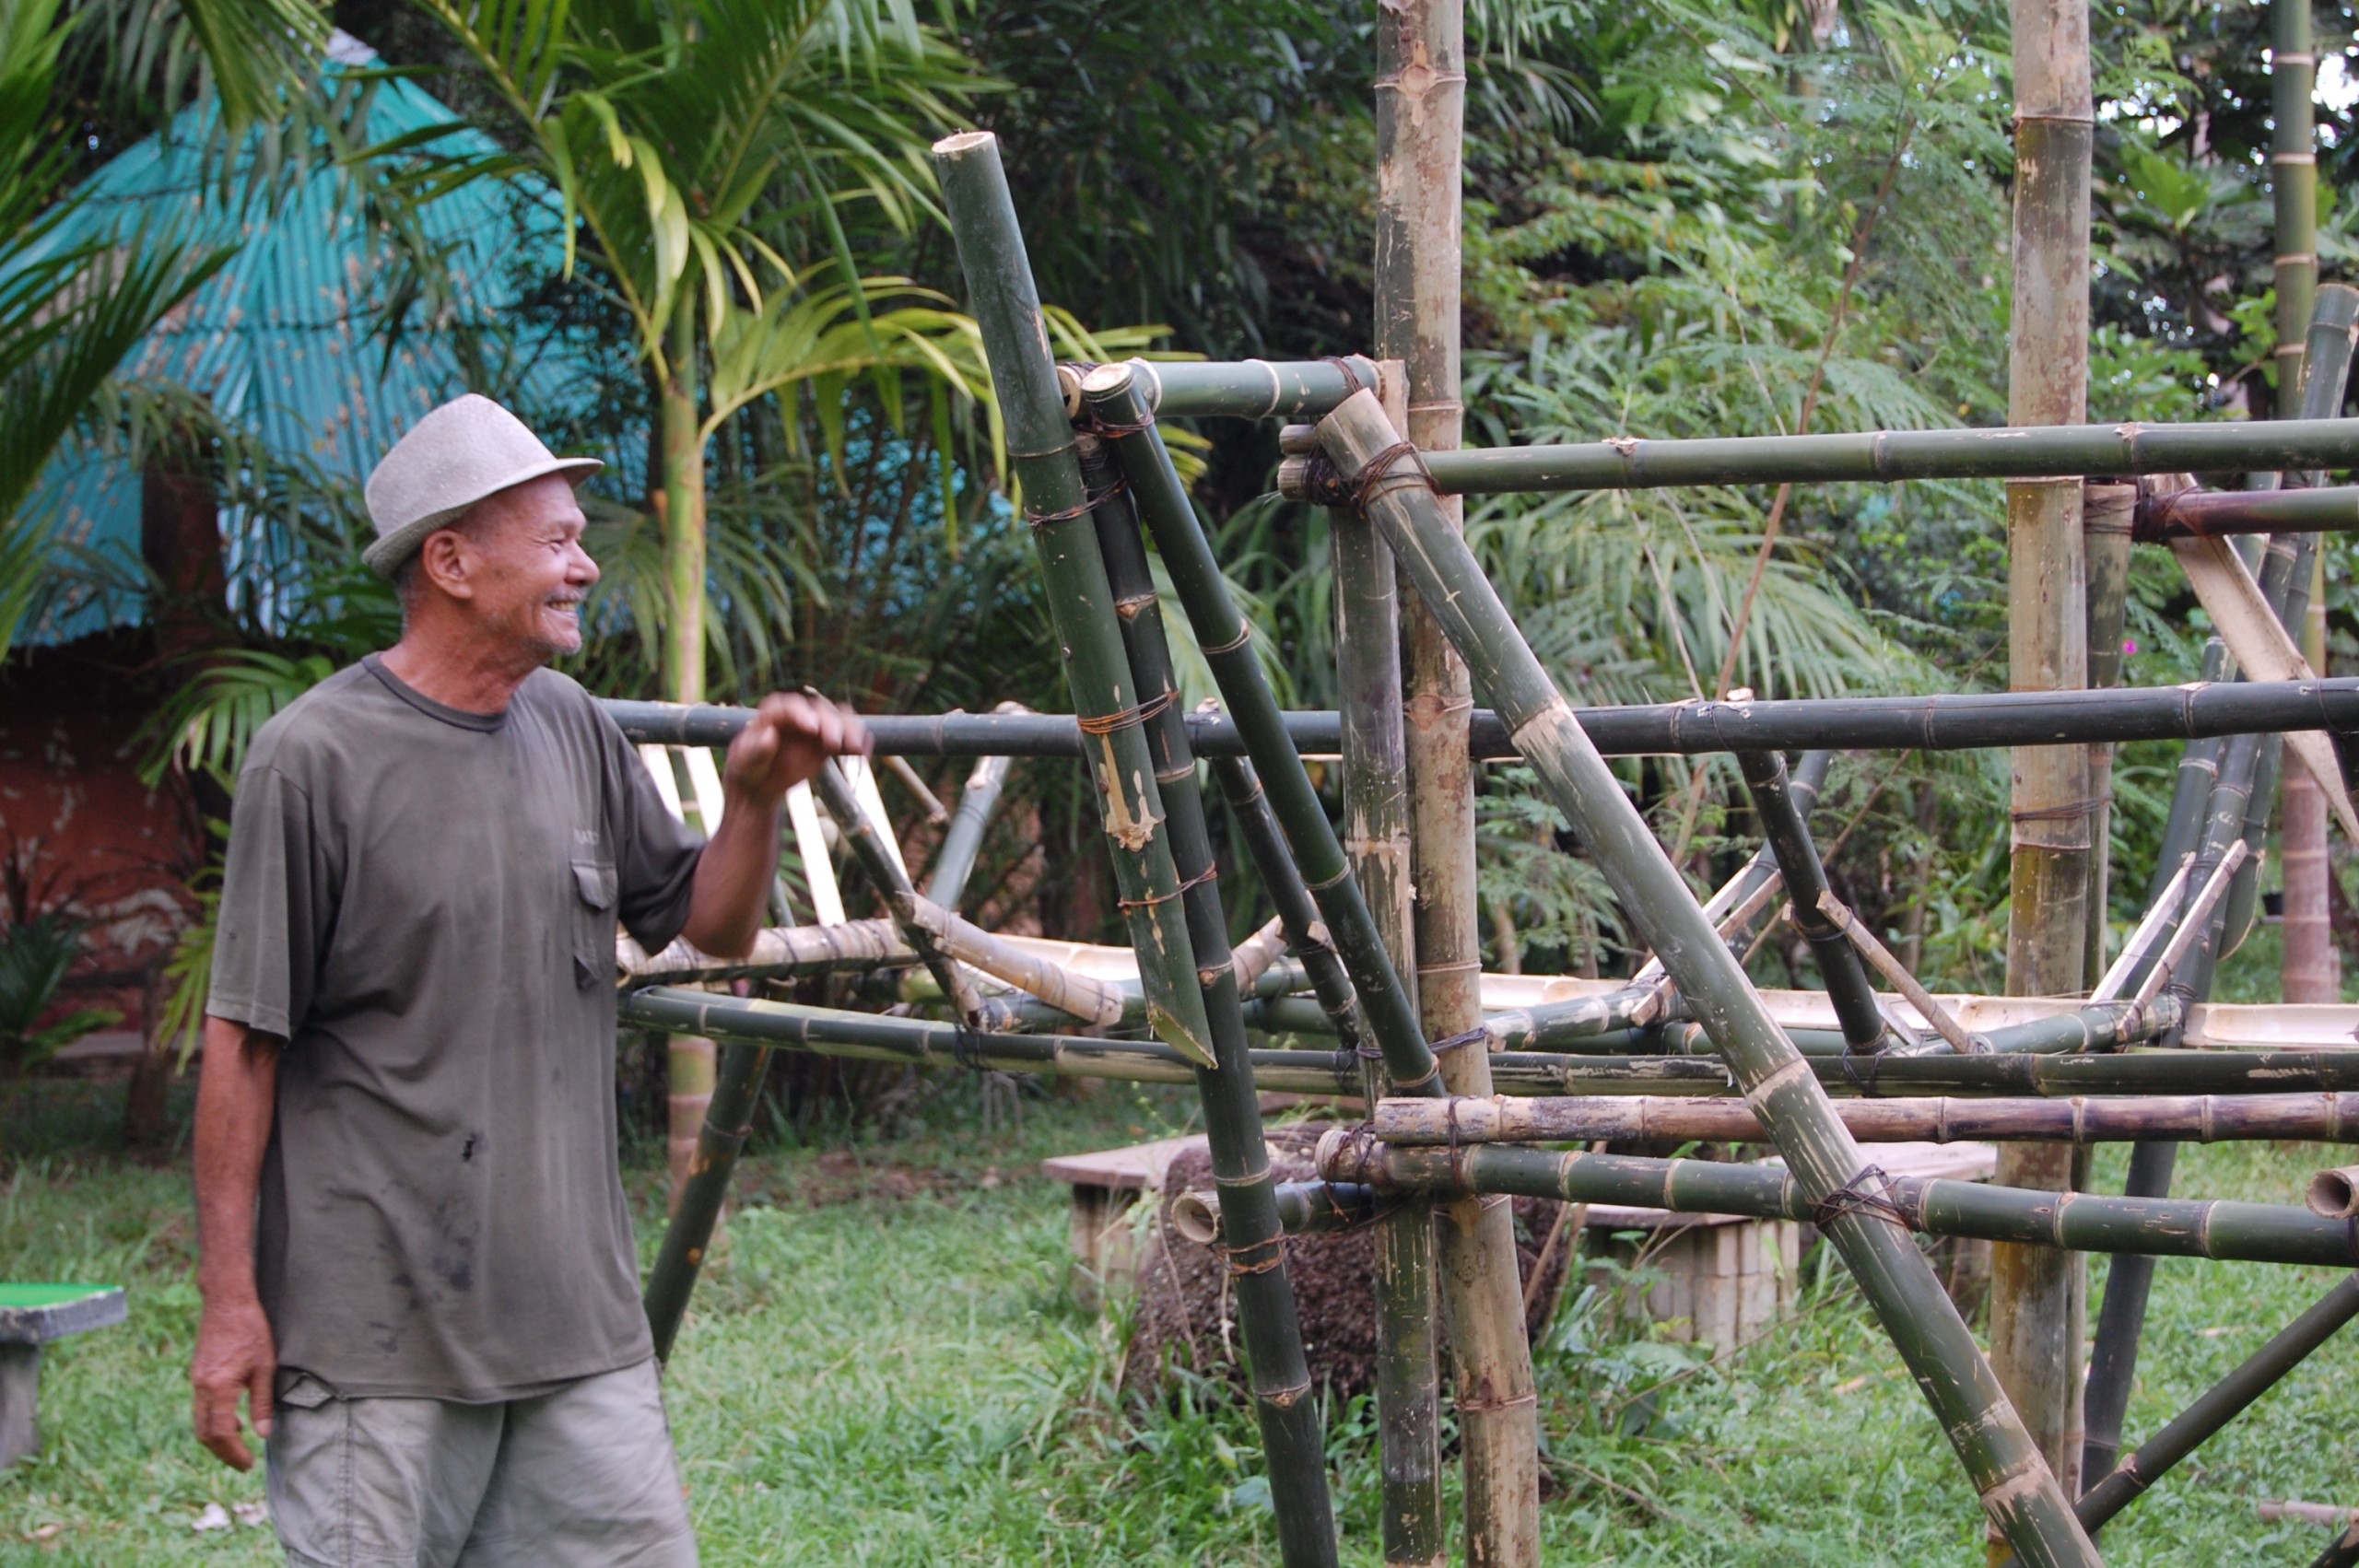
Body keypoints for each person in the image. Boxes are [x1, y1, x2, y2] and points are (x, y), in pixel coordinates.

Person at [187, 393, 864, 1566]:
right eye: (556, 541)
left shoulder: (574, 725)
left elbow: (710, 926)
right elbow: (244, 1043)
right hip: (376, 1343)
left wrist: (753, 797)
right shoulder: (314, 757)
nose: (587, 565)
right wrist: (229, 1302)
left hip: (577, 1327)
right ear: (450, 561)